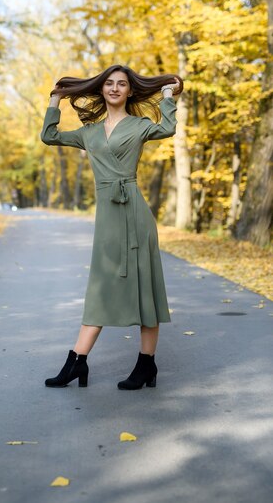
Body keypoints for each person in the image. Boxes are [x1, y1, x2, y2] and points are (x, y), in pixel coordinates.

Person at [40, 64, 183, 390]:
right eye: (109, 84)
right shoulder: (89, 132)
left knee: (145, 288)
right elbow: (49, 136)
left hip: (135, 213)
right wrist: (56, 99)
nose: (115, 88)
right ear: (101, 90)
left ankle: (146, 365)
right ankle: (77, 362)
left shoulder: (140, 126)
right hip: (107, 215)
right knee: (101, 286)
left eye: (122, 84)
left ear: (130, 90)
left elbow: (169, 129)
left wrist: (166, 95)